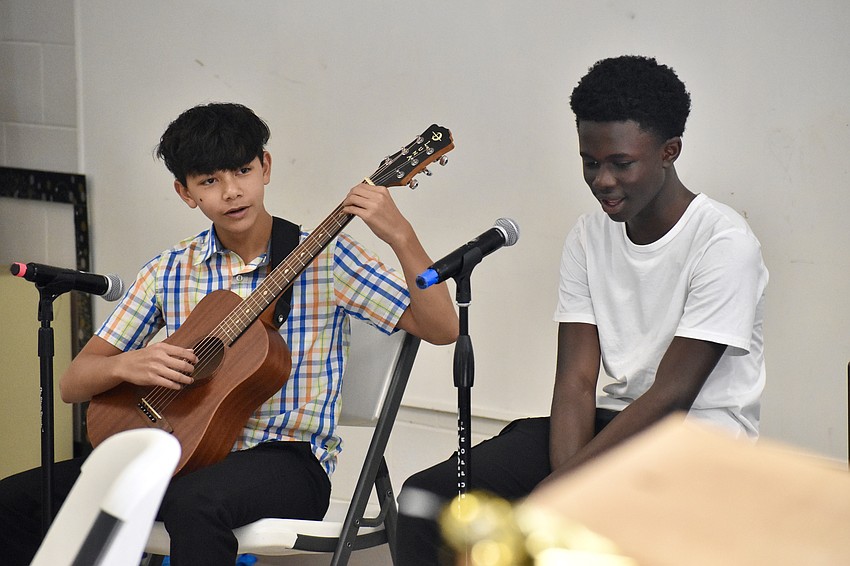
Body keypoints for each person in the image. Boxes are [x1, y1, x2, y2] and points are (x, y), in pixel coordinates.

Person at [0, 102, 458, 565]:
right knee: (16, 500)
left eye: (243, 171)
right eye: (209, 181)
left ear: (266, 167)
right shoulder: (170, 269)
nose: (232, 191)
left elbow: (442, 328)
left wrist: (401, 236)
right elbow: (73, 383)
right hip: (181, 452)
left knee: (195, 505)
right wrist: (129, 364)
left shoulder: (329, 258)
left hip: (288, 461)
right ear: (185, 193)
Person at [396, 54, 768, 564]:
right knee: (428, 500)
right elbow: (575, 381)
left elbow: (672, 395)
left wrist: (560, 495)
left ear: (669, 151)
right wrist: (565, 489)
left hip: (698, 444)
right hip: (612, 426)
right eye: (590, 162)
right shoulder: (589, 236)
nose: (602, 180)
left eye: (621, 163)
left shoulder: (724, 243)